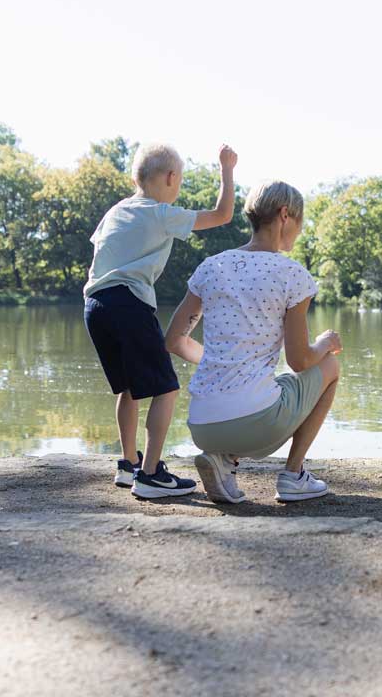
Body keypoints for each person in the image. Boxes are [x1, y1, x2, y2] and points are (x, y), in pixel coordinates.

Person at [165, 180, 341, 504]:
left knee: (266, 387)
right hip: (256, 425)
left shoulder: (212, 266)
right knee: (329, 365)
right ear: (285, 215)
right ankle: (293, 476)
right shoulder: (292, 274)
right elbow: (300, 361)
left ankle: (223, 460)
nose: (300, 230)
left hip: (202, 425)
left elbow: (175, 341)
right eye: (300, 221)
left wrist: (221, 361)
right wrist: (325, 342)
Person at [83, 143, 238, 499]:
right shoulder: (161, 213)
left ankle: (128, 465)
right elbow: (223, 214)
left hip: (94, 304)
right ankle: (150, 475)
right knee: (166, 388)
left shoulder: (116, 211)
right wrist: (227, 169)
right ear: (171, 178)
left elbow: (101, 253)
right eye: (179, 180)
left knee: (128, 388)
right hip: (128, 303)